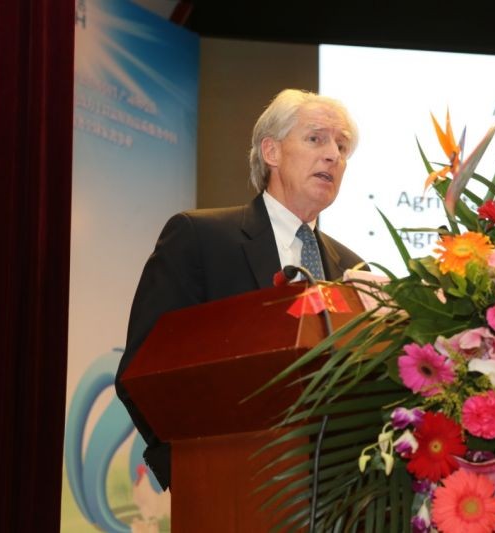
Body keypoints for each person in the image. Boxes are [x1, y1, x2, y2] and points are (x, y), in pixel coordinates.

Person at [115, 89, 366, 490]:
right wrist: (188, 471)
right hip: (225, 489)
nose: (333, 155)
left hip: (338, 493)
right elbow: (143, 370)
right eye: (316, 138)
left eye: (342, 146)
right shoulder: (201, 238)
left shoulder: (354, 269)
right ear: (271, 151)